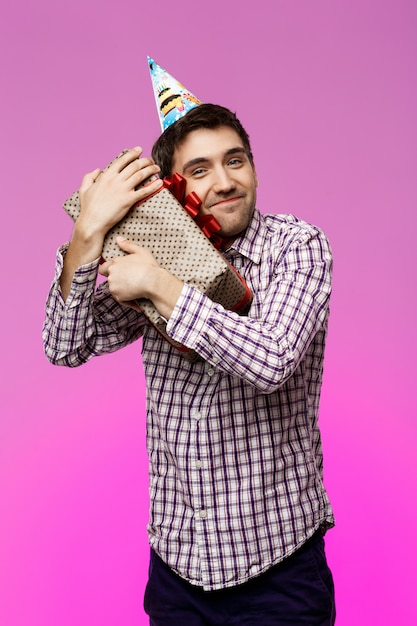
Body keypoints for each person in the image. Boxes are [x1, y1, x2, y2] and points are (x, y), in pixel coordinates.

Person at [43, 103, 336, 625]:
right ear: (173, 189)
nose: (225, 181)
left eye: (235, 160)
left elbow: (270, 359)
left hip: (278, 570)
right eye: (200, 170)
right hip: (177, 571)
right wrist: (87, 232)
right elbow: (65, 344)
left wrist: (161, 286)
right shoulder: (149, 248)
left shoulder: (297, 247)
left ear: (254, 166)